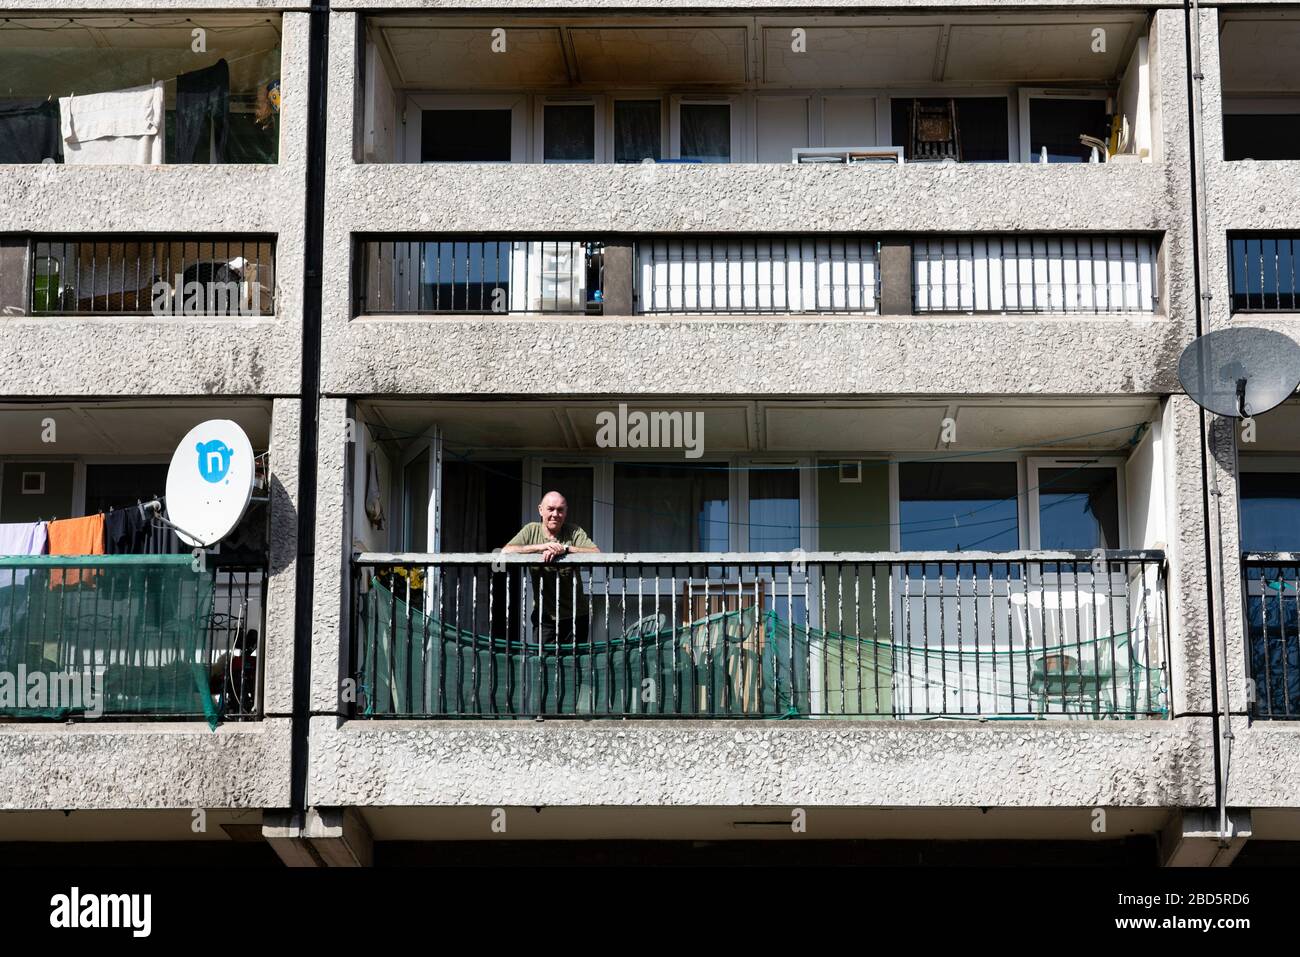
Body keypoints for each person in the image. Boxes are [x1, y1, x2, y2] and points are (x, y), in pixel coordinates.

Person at [503, 491, 600, 646]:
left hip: (576, 615)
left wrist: (566, 549)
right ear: (540, 510)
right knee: (545, 665)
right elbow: (506, 551)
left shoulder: (574, 531)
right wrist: (541, 547)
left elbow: (596, 554)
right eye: (551, 509)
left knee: (574, 666)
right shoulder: (531, 530)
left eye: (560, 510)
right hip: (545, 616)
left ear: (566, 512)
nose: (555, 514)